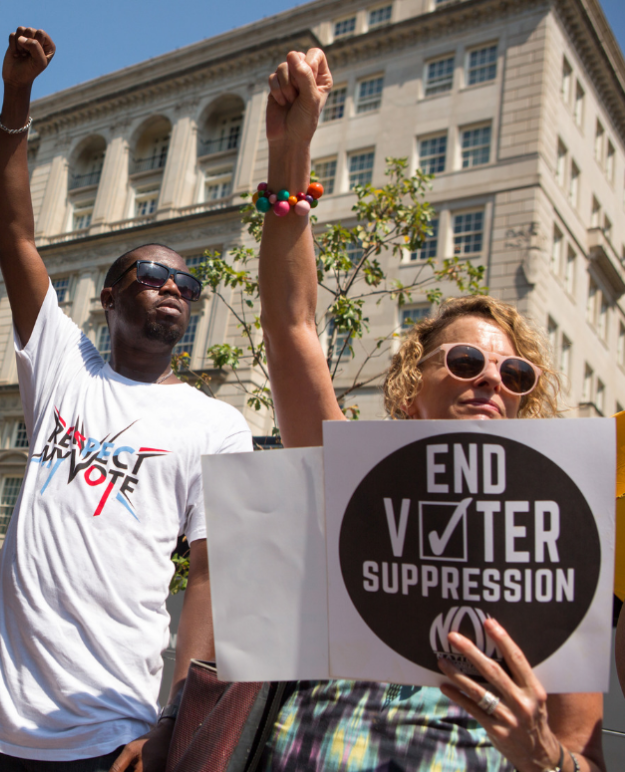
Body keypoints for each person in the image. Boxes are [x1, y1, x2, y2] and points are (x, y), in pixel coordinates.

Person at [252, 47, 604, 772]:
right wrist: (291, 154)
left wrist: (542, 755)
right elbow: (292, 331)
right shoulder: (352, 485)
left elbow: (580, 755)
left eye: (515, 373)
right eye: (467, 362)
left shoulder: (565, 546)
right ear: (414, 386)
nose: (491, 381)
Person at [0, 28, 253, 772]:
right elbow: (14, 235)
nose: (173, 286)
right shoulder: (64, 370)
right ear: (108, 298)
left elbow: (210, 578)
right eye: (151, 273)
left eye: (187, 283)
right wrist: (17, 98)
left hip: (109, 733)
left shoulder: (219, 426)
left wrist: (175, 717)